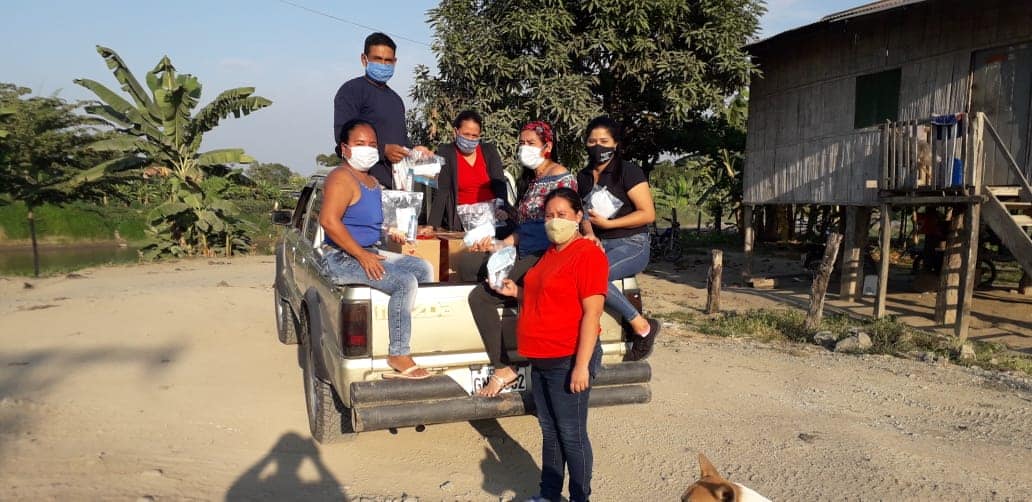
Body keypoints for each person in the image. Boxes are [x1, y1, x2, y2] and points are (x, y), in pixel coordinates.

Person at [493, 187, 607, 502]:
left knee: (571, 434)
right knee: (550, 431)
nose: (554, 221)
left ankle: (580, 497)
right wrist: (516, 292)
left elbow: (592, 313)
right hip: (541, 357)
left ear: (578, 216)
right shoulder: (550, 254)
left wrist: (581, 366)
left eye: (562, 215)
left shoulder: (587, 254)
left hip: (567, 358)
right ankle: (549, 494)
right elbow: (545, 297)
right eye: (549, 216)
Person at [319, 119, 434, 380]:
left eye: (372, 144)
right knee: (404, 282)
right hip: (342, 257)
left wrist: (398, 230)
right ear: (345, 148)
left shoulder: (371, 181)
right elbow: (328, 221)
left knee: (422, 268)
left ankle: (406, 331)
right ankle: (398, 353)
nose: (368, 149)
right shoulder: (341, 177)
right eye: (360, 143)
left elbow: (372, 224)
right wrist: (362, 256)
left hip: (369, 250)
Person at [468, 121, 576, 397]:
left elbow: (567, 220)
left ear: (547, 146)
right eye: (522, 143)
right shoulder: (534, 180)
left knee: (480, 297)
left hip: (544, 254)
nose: (524, 148)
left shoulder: (561, 177)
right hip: (524, 250)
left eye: (531, 143)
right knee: (484, 274)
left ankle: (503, 367)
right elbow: (525, 227)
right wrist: (500, 244)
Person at [577, 116, 659, 361]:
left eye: (604, 141)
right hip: (599, 244)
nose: (597, 146)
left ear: (615, 144)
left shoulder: (629, 171)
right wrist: (590, 234)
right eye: (592, 141)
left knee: (596, 277)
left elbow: (648, 213)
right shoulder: (583, 177)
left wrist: (609, 224)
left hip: (632, 243)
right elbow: (581, 213)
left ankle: (642, 327)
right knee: (577, 277)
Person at [333, 32, 430, 188]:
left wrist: (415, 151)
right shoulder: (352, 91)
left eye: (388, 61)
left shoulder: (396, 100)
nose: (383, 65)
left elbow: (400, 141)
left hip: (395, 185)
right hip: (362, 184)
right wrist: (383, 150)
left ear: (395, 62)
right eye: (377, 59)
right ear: (364, 59)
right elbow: (342, 137)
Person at [425, 110, 508, 231]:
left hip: (492, 220)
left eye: (474, 136)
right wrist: (431, 225)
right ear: (456, 132)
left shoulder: (489, 151)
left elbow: (500, 184)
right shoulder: (446, 152)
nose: (470, 139)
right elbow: (442, 191)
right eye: (466, 134)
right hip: (463, 222)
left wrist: (503, 209)